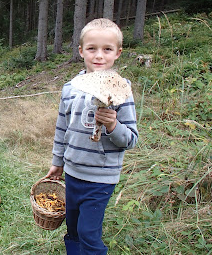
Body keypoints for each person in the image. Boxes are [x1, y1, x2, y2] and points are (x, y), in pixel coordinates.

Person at [46, 18, 138, 255]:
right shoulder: (71, 88)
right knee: (73, 228)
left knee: (89, 232)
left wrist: (113, 125)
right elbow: (62, 128)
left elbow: (130, 139)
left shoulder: (121, 89)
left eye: (107, 49)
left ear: (118, 53)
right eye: (92, 48)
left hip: (101, 177)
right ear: (81, 51)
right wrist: (58, 163)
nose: (99, 55)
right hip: (73, 174)